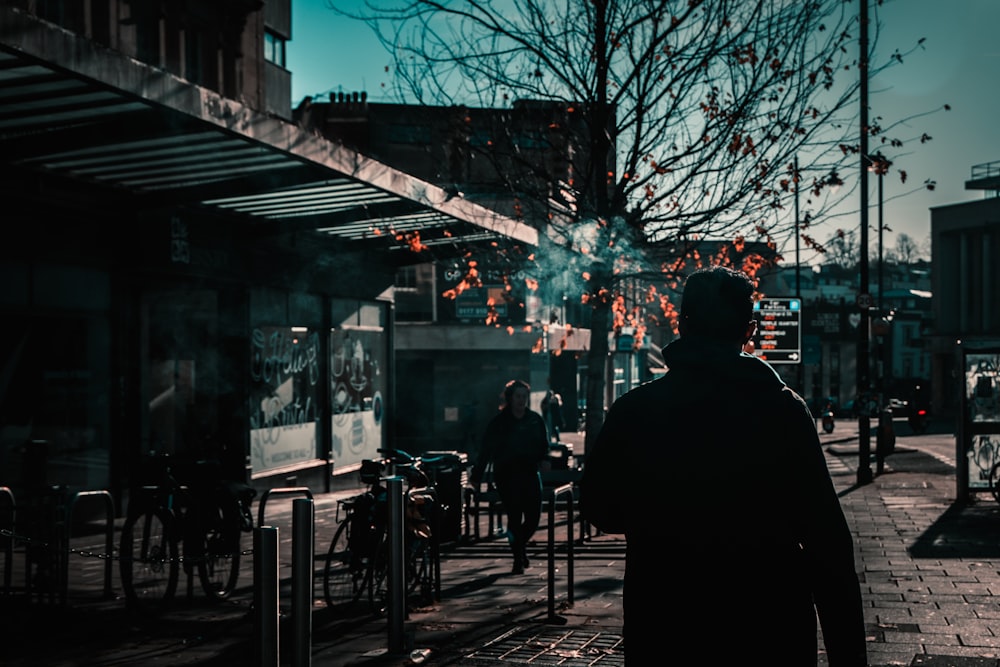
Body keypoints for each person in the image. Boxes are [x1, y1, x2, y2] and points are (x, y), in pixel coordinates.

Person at [579, 266, 868, 666]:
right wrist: (848, 656)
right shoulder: (782, 410)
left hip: (665, 621)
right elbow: (827, 542)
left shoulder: (635, 410)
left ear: (680, 324)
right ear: (749, 331)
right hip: (767, 626)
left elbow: (598, 506)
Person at [470, 379, 550, 574]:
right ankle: (517, 558)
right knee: (514, 517)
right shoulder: (499, 423)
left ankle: (519, 548)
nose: (521, 400)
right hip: (507, 475)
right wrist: (477, 475)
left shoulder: (534, 420)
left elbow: (543, 444)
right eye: (518, 396)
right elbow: (486, 450)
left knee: (533, 518)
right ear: (510, 398)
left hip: (530, 473)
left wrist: (544, 459)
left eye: (524, 396)